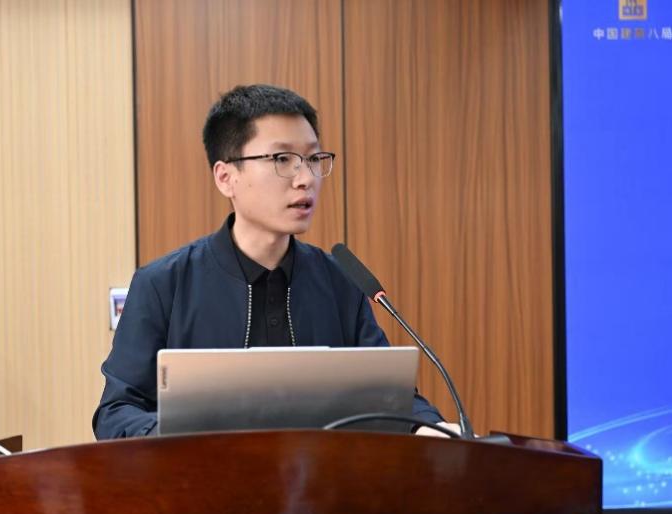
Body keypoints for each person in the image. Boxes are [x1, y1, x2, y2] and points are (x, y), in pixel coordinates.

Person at [93, 84, 457, 439]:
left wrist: (428, 427)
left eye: (313, 159)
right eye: (283, 159)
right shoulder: (164, 284)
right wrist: (181, 438)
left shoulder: (340, 282)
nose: (306, 179)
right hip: (201, 477)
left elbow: (391, 399)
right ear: (226, 177)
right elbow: (116, 412)